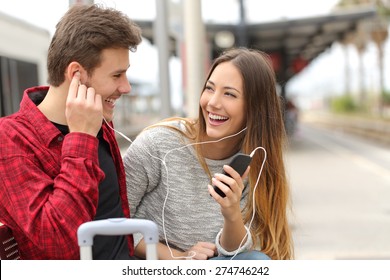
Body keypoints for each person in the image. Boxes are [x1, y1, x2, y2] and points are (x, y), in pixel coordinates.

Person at [0, 4, 142, 259]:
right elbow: (56, 243)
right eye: (117, 75)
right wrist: (82, 139)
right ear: (77, 74)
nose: (126, 87)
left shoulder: (100, 120)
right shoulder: (10, 140)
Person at [123, 48, 294, 260]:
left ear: (254, 108)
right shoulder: (158, 144)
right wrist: (178, 258)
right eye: (209, 89)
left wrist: (231, 213)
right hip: (155, 265)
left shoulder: (256, 163)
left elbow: (237, 253)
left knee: (256, 261)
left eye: (229, 94)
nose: (213, 102)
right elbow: (115, 221)